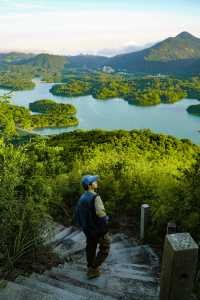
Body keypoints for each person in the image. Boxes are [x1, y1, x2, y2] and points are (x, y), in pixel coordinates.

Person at [75, 174, 111, 279]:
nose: (96, 182)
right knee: (105, 247)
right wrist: (105, 223)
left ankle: (90, 265)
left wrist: (84, 226)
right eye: (94, 181)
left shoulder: (82, 197)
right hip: (98, 229)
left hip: (87, 229)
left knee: (90, 247)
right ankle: (94, 268)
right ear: (90, 185)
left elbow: (77, 214)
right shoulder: (95, 197)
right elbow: (101, 214)